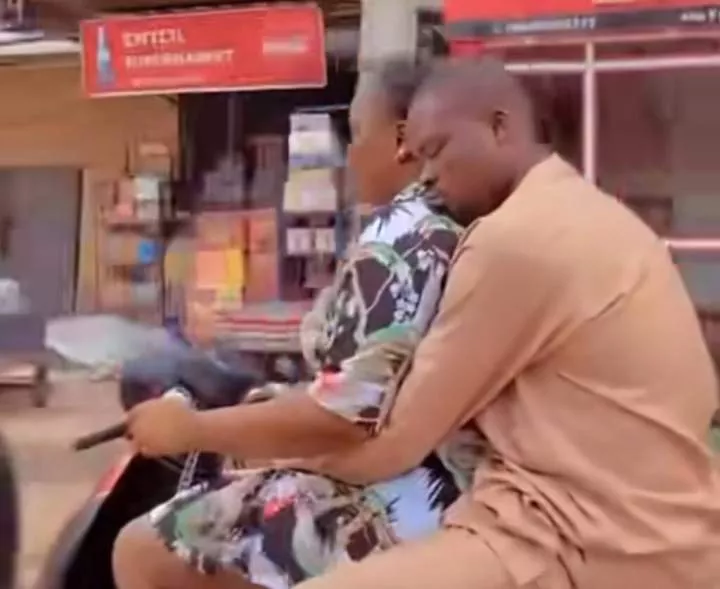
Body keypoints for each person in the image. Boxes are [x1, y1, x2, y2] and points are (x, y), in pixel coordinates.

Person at [289, 58, 720, 589]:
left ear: (499, 127)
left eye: (437, 150)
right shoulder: (590, 211)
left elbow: (396, 443)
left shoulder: (514, 240)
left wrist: (264, 448)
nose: (426, 175)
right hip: (665, 526)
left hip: (575, 538)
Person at [112, 58, 485, 589]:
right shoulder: (464, 218)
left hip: (418, 494)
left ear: (404, 138)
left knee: (144, 549)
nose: (350, 154)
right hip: (459, 477)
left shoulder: (404, 235)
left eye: (357, 133)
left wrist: (190, 428)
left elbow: (342, 417)